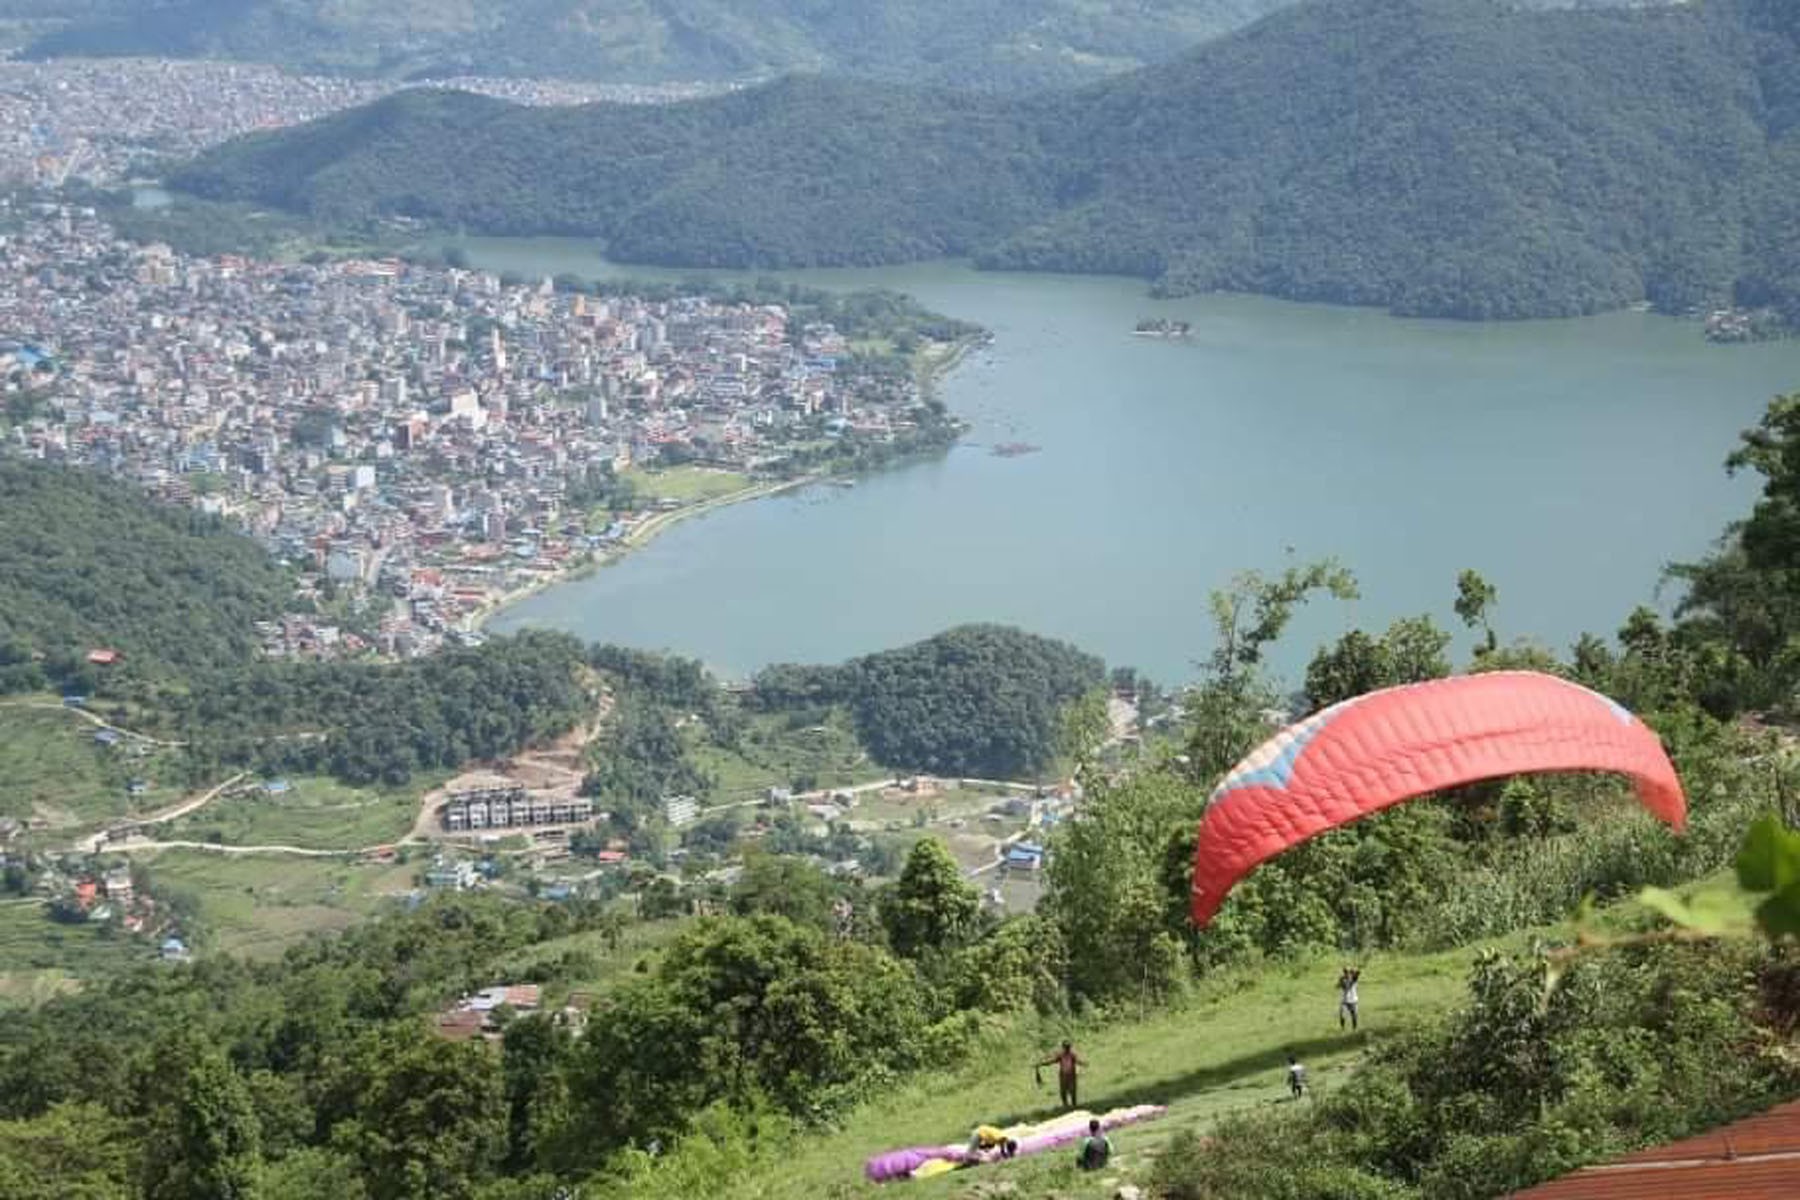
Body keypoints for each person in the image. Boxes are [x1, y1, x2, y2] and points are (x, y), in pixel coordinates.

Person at [1038, 1040, 1085, 1109]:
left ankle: (1073, 1105)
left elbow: (1078, 1061)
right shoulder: (1061, 1055)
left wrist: (1083, 1063)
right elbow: (1052, 1061)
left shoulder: (1072, 1055)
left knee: (1072, 1090)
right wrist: (1043, 1064)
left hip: (1071, 1075)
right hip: (1064, 1075)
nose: (1067, 1048)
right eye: (1066, 1047)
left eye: (1068, 1047)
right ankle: (1065, 1105)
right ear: (1063, 1047)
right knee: (1063, 1090)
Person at [1338, 965, 1361, 1031]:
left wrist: (1357, 972)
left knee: (1354, 1017)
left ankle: (1354, 1029)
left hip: (1353, 1001)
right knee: (1342, 1016)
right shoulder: (1342, 979)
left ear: (1351, 973)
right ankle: (1342, 1028)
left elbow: (1356, 976)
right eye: (1345, 972)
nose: (1347, 973)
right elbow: (1344, 986)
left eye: (1348, 972)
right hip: (1345, 1001)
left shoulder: (1354, 979)